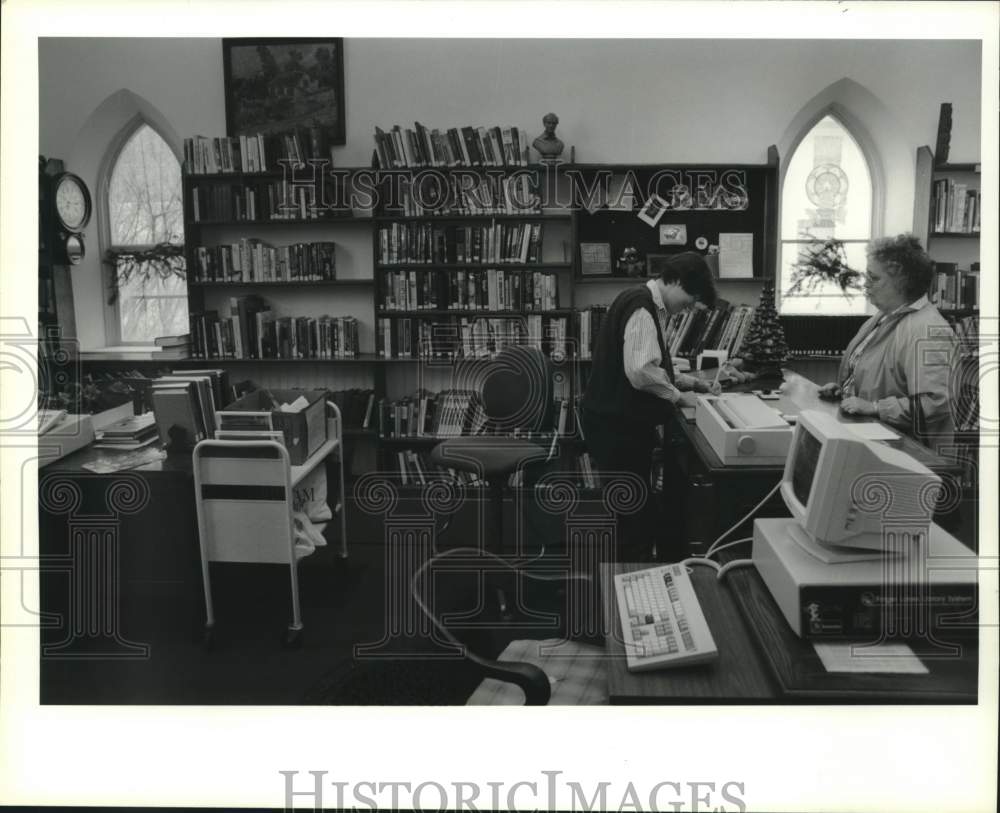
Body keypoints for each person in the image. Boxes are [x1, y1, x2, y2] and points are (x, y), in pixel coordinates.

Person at [581, 251, 720, 562]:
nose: (685, 310)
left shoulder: (642, 302)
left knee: (632, 509)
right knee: (633, 515)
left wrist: (689, 382)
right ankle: (630, 586)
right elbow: (641, 371)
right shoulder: (642, 307)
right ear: (675, 282)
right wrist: (678, 396)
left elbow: (652, 365)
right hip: (616, 428)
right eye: (687, 301)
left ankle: (630, 577)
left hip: (613, 424)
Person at [818, 234, 958, 451]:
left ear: (902, 281)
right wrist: (845, 391)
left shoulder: (928, 330)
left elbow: (934, 403)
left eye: (874, 278)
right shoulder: (882, 317)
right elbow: (879, 379)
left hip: (909, 457)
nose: (865, 284)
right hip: (878, 444)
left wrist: (875, 407)